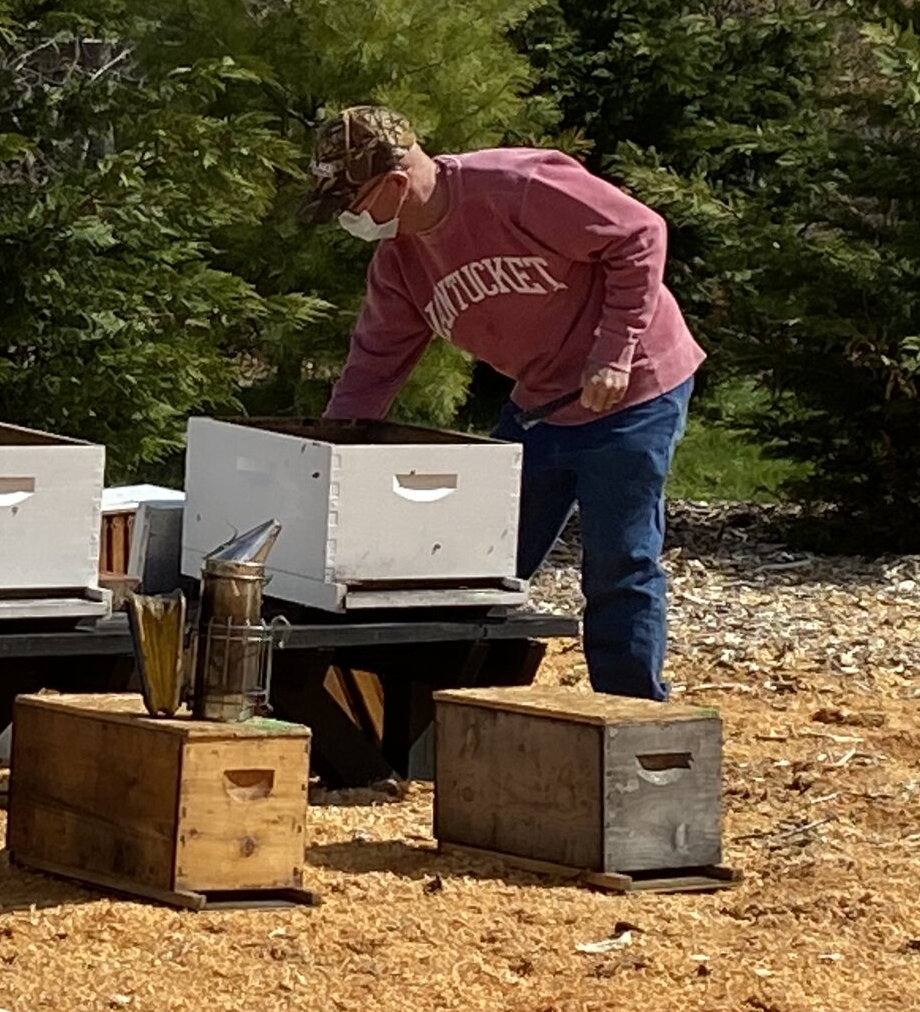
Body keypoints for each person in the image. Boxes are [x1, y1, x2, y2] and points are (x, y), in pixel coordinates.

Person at [301, 105, 704, 701]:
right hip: (541, 406)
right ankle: (450, 711)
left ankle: (631, 723)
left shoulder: (517, 186)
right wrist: (325, 458)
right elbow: (371, 371)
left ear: (393, 184)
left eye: (352, 205)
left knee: (618, 563)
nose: (350, 220)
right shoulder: (399, 266)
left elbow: (640, 234)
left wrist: (614, 352)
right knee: (480, 565)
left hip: (636, 388)